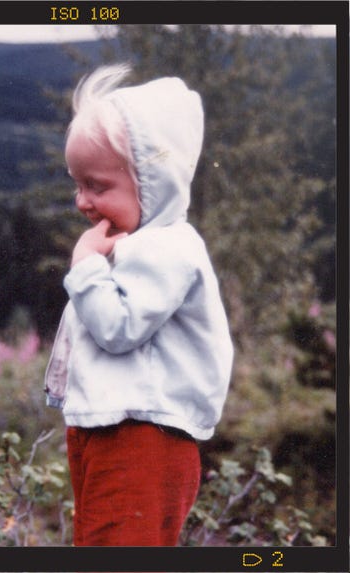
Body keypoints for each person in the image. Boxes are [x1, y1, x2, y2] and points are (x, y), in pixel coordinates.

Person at [44, 64, 234, 546]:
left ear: (153, 181)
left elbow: (118, 328)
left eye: (98, 186)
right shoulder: (134, 248)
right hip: (112, 431)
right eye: (78, 184)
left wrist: (85, 267)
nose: (82, 202)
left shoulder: (167, 249)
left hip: (143, 438)